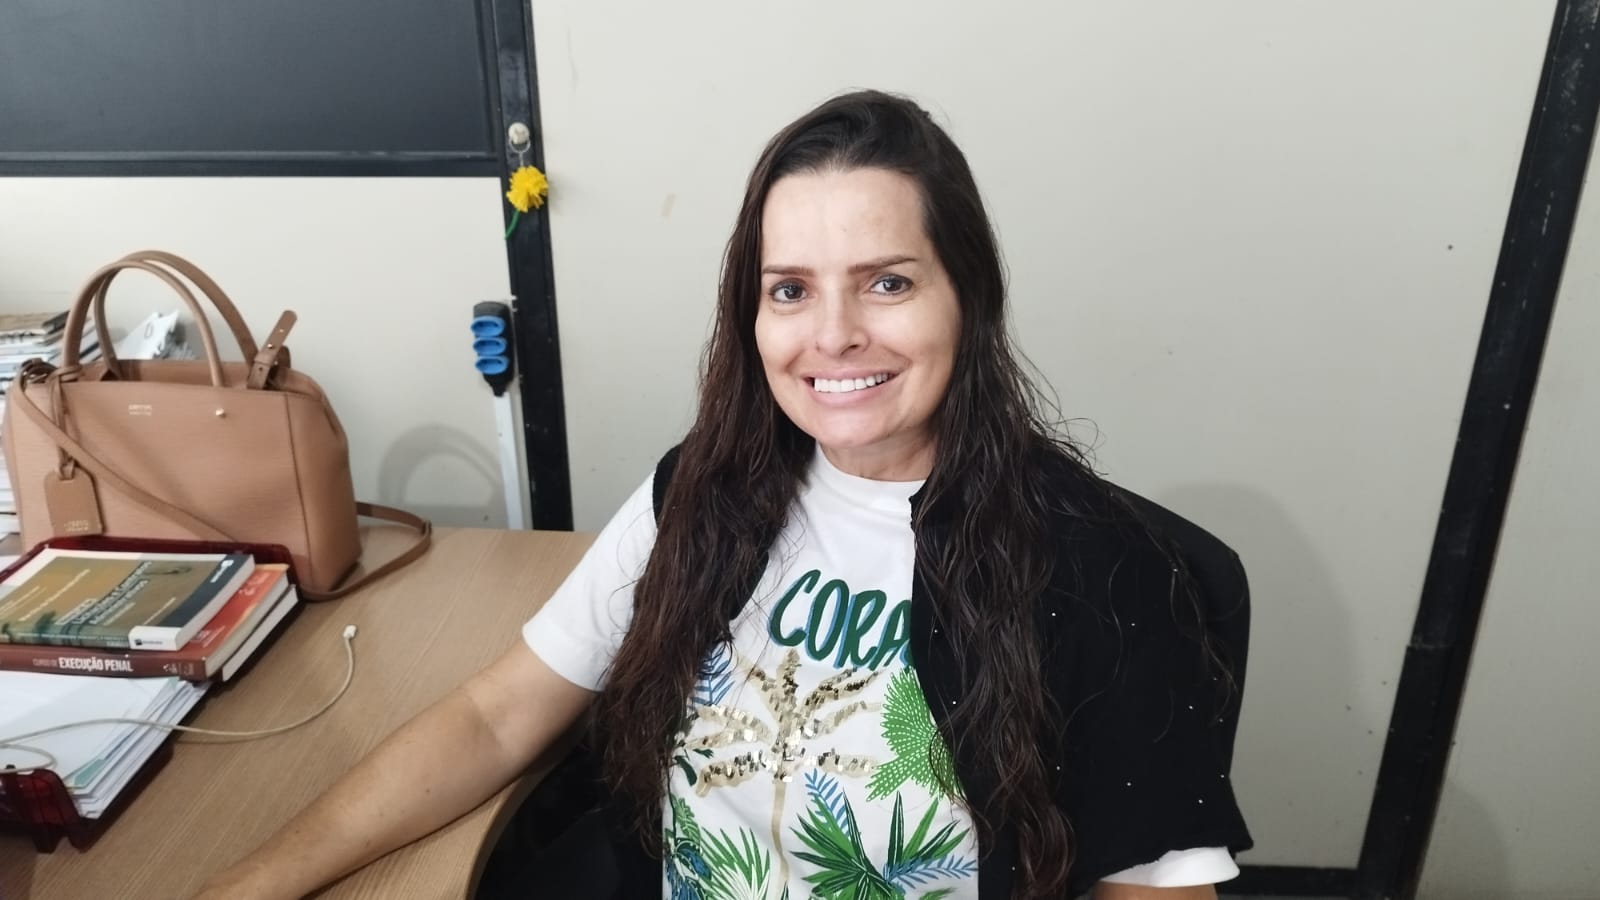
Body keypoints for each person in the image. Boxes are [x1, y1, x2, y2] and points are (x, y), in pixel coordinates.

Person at [195, 89, 1252, 900]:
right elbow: (494, 715)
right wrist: (251, 884)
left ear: (968, 298)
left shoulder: (1099, 568)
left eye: (887, 282)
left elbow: (1153, 891)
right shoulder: (707, 492)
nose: (833, 334)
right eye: (790, 290)